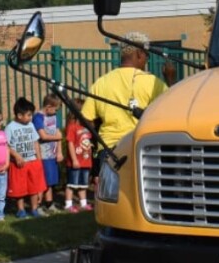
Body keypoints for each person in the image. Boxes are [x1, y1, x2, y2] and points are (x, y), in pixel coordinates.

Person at [81, 32, 172, 160]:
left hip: (109, 150)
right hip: (141, 148)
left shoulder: (102, 82)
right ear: (140, 54)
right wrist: (170, 80)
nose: (147, 59)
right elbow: (174, 111)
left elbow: (86, 119)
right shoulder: (153, 83)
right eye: (147, 55)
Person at [4, 97, 47, 218]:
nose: (30, 117)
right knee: (19, 189)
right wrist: (16, 155)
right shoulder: (10, 127)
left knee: (34, 187)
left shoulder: (31, 125)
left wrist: (39, 160)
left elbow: (35, 142)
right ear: (19, 115)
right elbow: (6, 146)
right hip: (18, 164)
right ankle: (21, 210)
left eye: (31, 115)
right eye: (28, 115)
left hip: (33, 162)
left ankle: (34, 209)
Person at [32, 93, 64, 214]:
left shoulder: (53, 116)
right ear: (48, 106)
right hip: (43, 155)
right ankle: (38, 205)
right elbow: (43, 136)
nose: (56, 112)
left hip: (52, 154)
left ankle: (49, 204)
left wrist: (59, 152)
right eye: (55, 109)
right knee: (42, 181)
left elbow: (58, 135)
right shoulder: (38, 118)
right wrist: (57, 136)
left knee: (50, 181)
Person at [64, 99, 93, 213]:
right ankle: (68, 204)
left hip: (86, 161)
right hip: (75, 163)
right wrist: (74, 160)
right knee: (72, 184)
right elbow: (70, 143)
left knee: (83, 185)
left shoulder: (86, 127)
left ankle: (83, 203)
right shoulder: (72, 127)